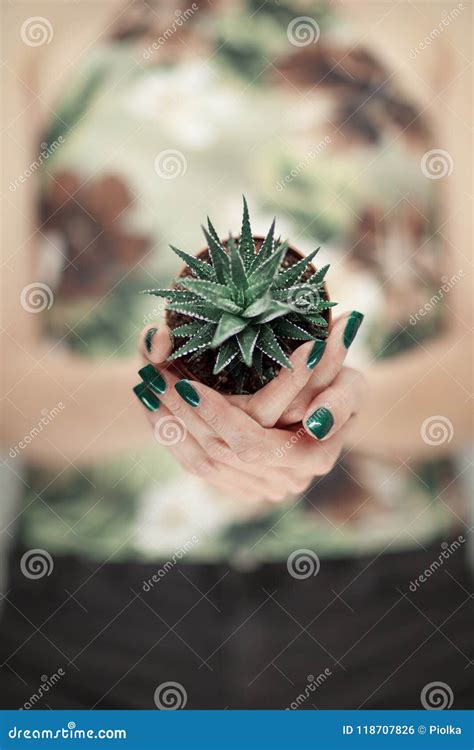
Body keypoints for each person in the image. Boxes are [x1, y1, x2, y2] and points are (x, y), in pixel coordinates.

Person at [1, 0, 472, 709]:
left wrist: (325, 410)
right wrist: (192, 413)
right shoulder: (29, 22)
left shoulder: (446, 19)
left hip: (390, 612)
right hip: (94, 617)